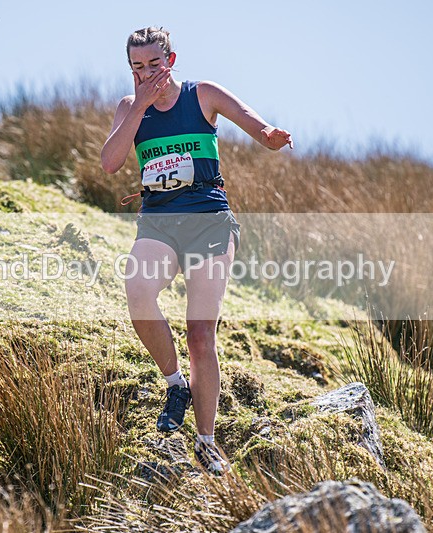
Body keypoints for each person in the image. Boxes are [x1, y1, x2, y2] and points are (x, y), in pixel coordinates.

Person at [101, 26, 293, 476]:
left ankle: (206, 443)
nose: (146, 73)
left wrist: (269, 135)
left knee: (201, 334)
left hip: (209, 220)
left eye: (153, 63)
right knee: (138, 291)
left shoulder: (201, 94)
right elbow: (110, 164)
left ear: (171, 59)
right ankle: (175, 385)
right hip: (160, 222)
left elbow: (253, 121)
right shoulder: (130, 108)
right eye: (137, 67)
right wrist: (141, 107)